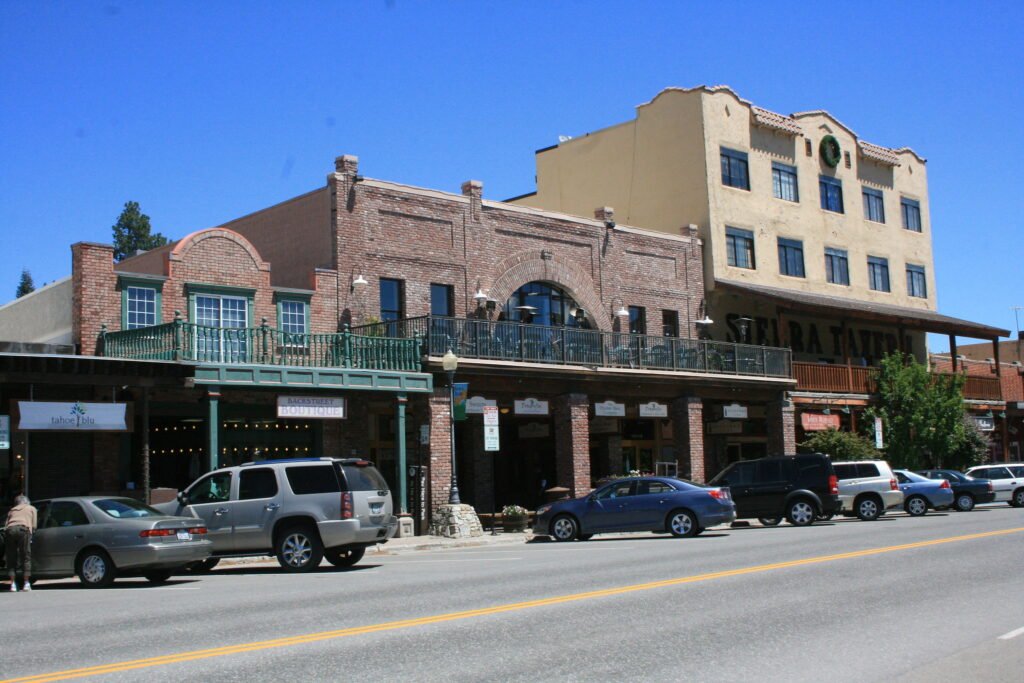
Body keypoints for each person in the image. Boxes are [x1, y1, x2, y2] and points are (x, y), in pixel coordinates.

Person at [5, 494, 37, 592]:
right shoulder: (32, 508)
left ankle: (13, 584)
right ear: (27, 502)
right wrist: (32, 534)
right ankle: (26, 583)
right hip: (23, 529)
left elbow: (6, 524)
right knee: (25, 556)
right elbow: (34, 525)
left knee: (11, 558)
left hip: (10, 530)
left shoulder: (12, 510)